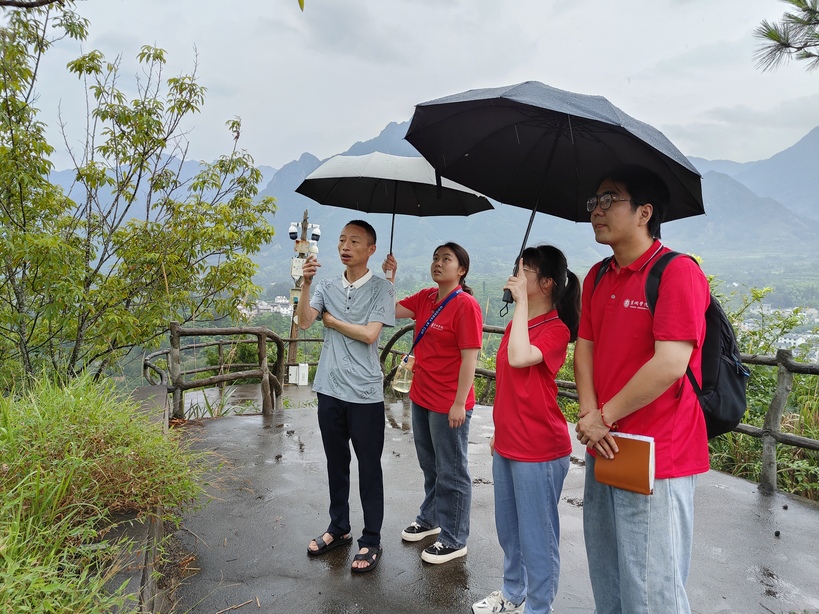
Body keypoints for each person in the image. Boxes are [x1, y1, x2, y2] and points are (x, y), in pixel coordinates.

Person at [574, 165, 711, 613]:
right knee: (609, 575)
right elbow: (585, 351)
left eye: (610, 199)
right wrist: (591, 419)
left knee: (652, 586)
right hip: (605, 445)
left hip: (657, 454)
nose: (597, 210)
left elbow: (671, 363)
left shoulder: (676, 272)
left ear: (644, 212)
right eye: (595, 201)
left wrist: (602, 416)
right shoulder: (596, 276)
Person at [472, 245, 580, 614]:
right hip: (508, 444)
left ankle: (538, 607)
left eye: (525, 272)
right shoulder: (521, 323)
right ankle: (512, 593)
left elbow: (520, 359)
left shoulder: (556, 329)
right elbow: (511, 385)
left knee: (539, 539)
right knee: (510, 531)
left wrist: (518, 305)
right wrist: (498, 433)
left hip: (540, 448)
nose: (515, 277)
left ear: (546, 283)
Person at [296, 219, 395, 574]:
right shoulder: (325, 284)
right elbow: (306, 321)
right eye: (341, 240)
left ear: (371, 249)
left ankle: (371, 539)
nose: (345, 246)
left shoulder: (382, 289)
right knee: (336, 463)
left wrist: (333, 321)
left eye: (354, 241)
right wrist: (306, 285)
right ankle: (339, 528)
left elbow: (370, 335)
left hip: (365, 394)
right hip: (329, 389)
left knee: (369, 468)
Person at [382, 243, 483, 564]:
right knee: (430, 466)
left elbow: (470, 359)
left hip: (449, 403)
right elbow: (390, 310)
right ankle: (431, 517)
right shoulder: (426, 297)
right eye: (435, 258)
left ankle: (454, 538)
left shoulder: (466, 305)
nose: (438, 263)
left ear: (461, 269)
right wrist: (390, 276)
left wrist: (458, 403)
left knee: (452, 471)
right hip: (422, 396)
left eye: (446, 259)